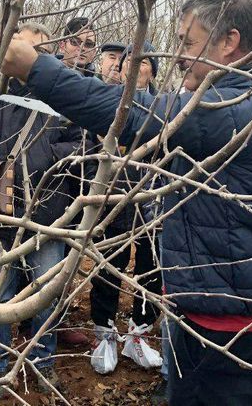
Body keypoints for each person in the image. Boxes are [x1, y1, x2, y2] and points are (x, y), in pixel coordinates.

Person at [0, 0, 252, 405]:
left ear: (229, 41)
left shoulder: (247, 104)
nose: (179, 55)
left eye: (188, 43)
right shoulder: (250, 93)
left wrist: (36, 68)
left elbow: (139, 114)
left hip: (229, 312)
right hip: (215, 297)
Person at [0, 21, 84, 395]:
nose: (30, 56)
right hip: (2, 214)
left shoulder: (62, 97)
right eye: (25, 47)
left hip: (49, 213)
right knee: (1, 296)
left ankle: (43, 364)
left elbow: (81, 143)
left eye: (41, 51)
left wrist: (47, 154)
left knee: (44, 296)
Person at [89, 41, 163, 375]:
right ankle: (104, 334)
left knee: (150, 270)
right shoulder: (109, 102)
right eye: (129, 60)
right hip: (113, 202)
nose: (135, 66)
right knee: (108, 268)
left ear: (153, 71)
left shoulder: (165, 106)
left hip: (154, 204)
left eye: (144, 62)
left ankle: (138, 334)